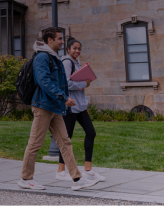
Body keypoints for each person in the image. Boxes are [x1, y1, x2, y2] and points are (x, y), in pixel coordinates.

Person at [18, 28, 101, 191]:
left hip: (54, 106)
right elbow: (44, 81)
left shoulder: (53, 57)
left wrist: (61, 101)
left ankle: (77, 179)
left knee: (65, 142)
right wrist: (63, 97)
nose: (63, 42)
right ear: (50, 40)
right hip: (43, 106)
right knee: (35, 143)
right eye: (60, 39)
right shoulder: (42, 57)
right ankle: (25, 178)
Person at [56, 39, 105, 182]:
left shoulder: (76, 62)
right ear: (68, 49)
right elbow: (64, 83)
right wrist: (84, 83)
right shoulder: (66, 62)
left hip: (80, 106)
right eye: (74, 48)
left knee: (91, 132)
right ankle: (60, 171)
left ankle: (88, 170)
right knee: (67, 138)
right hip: (70, 106)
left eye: (79, 49)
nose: (77, 51)